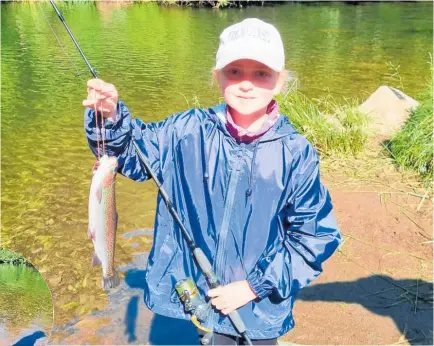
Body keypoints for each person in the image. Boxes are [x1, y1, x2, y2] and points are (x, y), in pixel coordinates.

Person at [83, 18, 341, 345]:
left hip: (255, 309)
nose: (246, 83)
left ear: (280, 80)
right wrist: (109, 118)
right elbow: (133, 156)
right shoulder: (185, 130)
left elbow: (315, 237)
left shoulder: (296, 153)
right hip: (192, 290)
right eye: (235, 71)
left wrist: (253, 287)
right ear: (217, 77)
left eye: (261, 73)